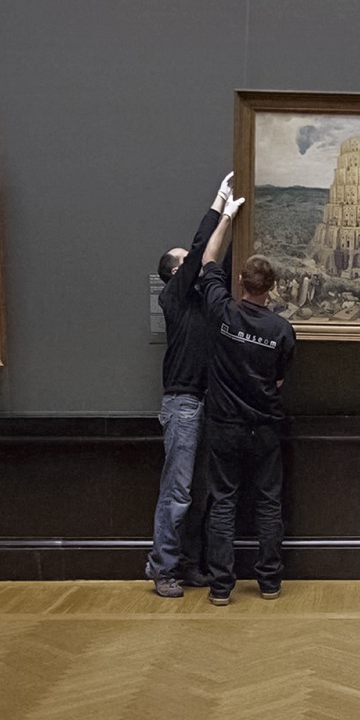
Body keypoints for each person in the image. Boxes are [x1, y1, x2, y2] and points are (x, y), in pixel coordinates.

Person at [195, 196, 296, 606]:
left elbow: (207, 261)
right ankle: (269, 582)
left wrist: (225, 216)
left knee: (223, 503)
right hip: (265, 426)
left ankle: (221, 587)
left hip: (224, 424)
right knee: (268, 503)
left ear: (241, 282)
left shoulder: (223, 313)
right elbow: (279, 379)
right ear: (271, 288)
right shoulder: (282, 330)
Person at [145, 172, 235, 598]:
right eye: (186, 260)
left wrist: (233, 221)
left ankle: (187, 565)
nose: (194, 260)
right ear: (177, 271)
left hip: (202, 403)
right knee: (177, 493)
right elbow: (202, 250)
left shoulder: (200, 298)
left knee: (197, 493)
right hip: (183, 405)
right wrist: (218, 206)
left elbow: (217, 260)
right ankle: (162, 568)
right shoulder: (174, 297)